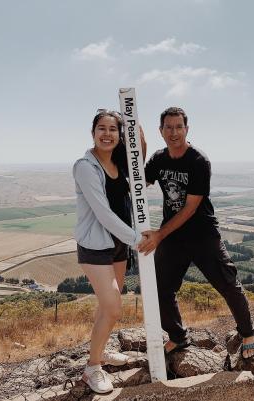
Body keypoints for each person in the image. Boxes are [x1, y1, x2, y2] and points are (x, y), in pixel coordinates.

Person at [139, 107, 254, 360]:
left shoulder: (198, 161)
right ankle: (178, 337)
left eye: (178, 127)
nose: (174, 132)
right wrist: (140, 149)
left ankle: (248, 334)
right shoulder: (159, 159)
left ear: (187, 129)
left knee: (227, 283)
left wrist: (159, 234)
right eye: (168, 127)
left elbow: (191, 207)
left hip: (202, 234)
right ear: (161, 131)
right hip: (174, 237)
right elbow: (138, 182)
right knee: (160, 288)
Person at [73, 109, 146, 394]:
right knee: (113, 306)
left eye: (113, 129)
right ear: (93, 133)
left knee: (109, 306)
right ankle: (92, 369)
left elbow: (138, 161)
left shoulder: (119, 162)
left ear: (120, 135)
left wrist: (134, 121)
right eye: (101, 128)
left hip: (117, 242)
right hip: (95, 245)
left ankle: (101, 352)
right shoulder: (84, 166)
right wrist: (137, 239)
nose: (106, 134)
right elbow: (102, 213)